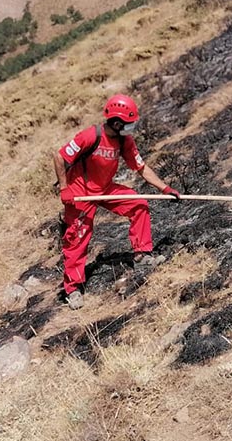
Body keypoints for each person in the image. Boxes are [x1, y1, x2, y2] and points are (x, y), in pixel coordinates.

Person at [53, 94, 180, 309]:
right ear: (117, 122)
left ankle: (143, 254)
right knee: (77, 238)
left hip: (105, 189)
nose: (131, 128)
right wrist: (65, 189)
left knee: (138, 204)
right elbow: (59, 157)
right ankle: (72, 289)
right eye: (128, 124)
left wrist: (165, 188)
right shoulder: (89, 136)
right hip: (80, 193)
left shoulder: (125, 141)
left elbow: (141, 168)